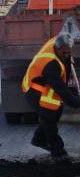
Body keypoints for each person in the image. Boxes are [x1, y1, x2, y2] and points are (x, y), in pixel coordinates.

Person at [23, 30, 80, 158]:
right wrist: (77, 103)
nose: (66, 54)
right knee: (50, 114)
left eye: (69, 51)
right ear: (57, 48)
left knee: (56, 110)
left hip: (44, 85)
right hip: (34, 89)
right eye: (64, 52)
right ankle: (58, 151)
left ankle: (39, 139)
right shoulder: (51, 64)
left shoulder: (58, 41)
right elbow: (61, 89)